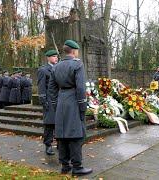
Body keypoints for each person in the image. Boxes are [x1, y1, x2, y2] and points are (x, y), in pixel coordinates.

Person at [48, 40, 93, 176]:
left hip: (61, 101)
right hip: (73, 101)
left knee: (62, 135)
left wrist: (56, 104)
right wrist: (82, 106)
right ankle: (77, 167)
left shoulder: (56, 66)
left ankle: (65, 165)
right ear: (74, 51)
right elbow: (80, 88)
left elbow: (51, 88)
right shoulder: (77, 64)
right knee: (76, 135)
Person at [37, 49, 59, 155]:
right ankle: (48, 145)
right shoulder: (43, 70)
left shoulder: (59, 68)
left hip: (59, 99)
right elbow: (41, 86)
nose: (56, 58)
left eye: (56, 56)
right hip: (49, 100)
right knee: (49, 124)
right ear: (48, 58)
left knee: (59, 123)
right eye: (54, 56)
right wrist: (43, 100)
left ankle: (60, 143)